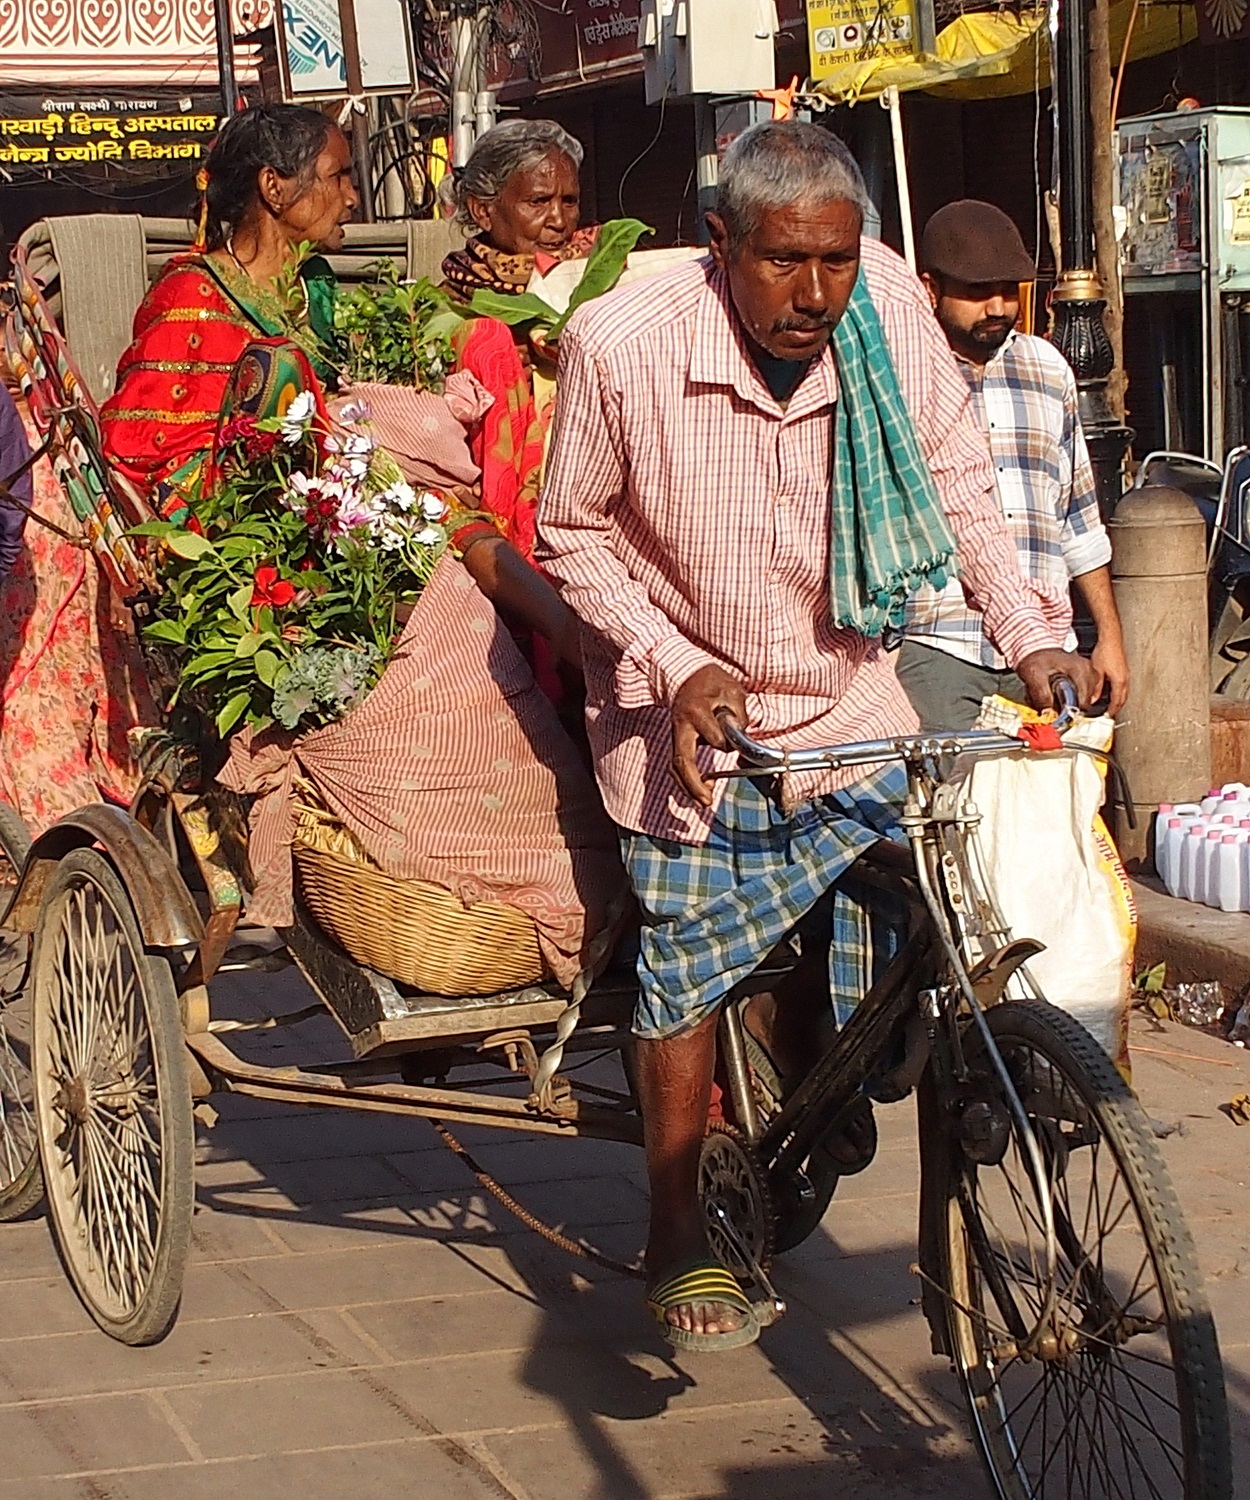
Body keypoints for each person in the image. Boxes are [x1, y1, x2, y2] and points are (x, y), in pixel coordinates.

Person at [537, 121, 1096, 1352]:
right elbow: (568, 533)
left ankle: (808, 1097)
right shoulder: (623, 341)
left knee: (881, 928)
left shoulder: (888, 313)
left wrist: (1029, 628)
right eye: (783, 262)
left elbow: (958, 483)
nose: (813, 294)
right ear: (719, 243)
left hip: (846, 695)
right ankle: (676, 1223)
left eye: (835, 261)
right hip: (685, 712)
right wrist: (675, 666)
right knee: (686, 961)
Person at [100, 103, 581, 671]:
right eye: (339, 176)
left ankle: (564, 631)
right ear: (274, 188)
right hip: (261, 556)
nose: (353, 197)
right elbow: (146, 463)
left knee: (469, 532)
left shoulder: (315, 293)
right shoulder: (194, 297)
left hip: (355, 509)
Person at [898, 199, 1129, 729]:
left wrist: (1110, 638)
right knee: (942, 807)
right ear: (930, 289)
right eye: (978, 292)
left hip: (1050, 642)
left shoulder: (1047, 368)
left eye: (1009, 291)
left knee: (1047, 807)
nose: (999, 306)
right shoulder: (907, 378)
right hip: (943, 645)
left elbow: (1078, 519)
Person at [440, 119, 597, 559]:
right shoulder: (445, 308)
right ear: (483, 211)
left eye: (570, 201)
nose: (559, 221)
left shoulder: (601, 284)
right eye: (538, 201)